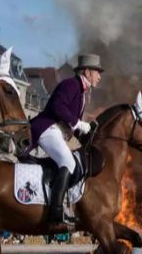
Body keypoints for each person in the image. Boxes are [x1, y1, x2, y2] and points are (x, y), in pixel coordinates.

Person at [29, 54, 102, 224]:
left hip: (59, 131)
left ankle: (65, 203)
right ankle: (55, 212)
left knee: (76, 161)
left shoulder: (82, 92)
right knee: (68, 162)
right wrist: (78, 123)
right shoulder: (71, 84)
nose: (100, 76)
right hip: (47, 127)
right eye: (97, 72)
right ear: (87, 72)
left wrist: (86, 133)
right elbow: (58, 107)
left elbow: (71, 124)